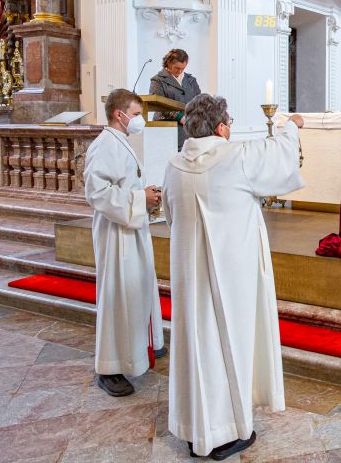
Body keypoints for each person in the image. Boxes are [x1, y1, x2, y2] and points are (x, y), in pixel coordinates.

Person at [163, 94, 305, 460]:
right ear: (222, 127)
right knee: (230, 345)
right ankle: (226, 432)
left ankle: (197, 428)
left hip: (189, 277)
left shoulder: (174, 165)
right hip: (233, 277)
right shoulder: (236, 156)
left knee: (198, 347)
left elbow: (169, 213)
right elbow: (279, 158)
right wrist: (291, 127)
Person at [84, 89, 166, 397]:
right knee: (117, 294)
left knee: (137, 287)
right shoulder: (104, 145)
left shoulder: (120, 142)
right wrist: (138, 198)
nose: (139, 120)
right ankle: (110, 367)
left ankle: (141, 346)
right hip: (116, 232)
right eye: (135, 113)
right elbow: (96, 193)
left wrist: (145, 194)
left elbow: (120, 184)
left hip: (130, 227)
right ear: (119, 114)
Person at [149, 48, 202, 150]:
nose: (180, 71)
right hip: (166, 129)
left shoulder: (191, 80)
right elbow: (158, 104)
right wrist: (180, 117)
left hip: (188, 130)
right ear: (168, 63)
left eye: (183, 68)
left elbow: (199, 101)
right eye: (177, 68)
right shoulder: (158, 80)